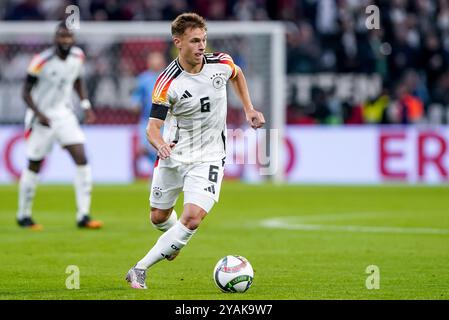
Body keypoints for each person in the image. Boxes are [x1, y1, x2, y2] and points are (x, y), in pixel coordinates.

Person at [125, 12, 265, 289]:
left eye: (204, 40)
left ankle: (140, 268)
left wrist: (248, 108)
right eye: (195, 41)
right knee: (158, 217)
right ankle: (172, 242)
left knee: (192, 217)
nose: (201, 46)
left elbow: (237, 74)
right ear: (178, 43)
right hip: (174, 154)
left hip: (210, 156)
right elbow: (152, 128)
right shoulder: (167, 83)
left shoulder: (220, 63)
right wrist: (161, 145)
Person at [16, 22, 103, 230]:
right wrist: (39, 114)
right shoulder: (40, 61)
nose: (65, 40)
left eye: (69, 37)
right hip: (41, 118)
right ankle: (23, 215)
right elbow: (25, 92)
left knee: (82, 158)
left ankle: (83, 215)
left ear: (73, 39)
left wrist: (85, 105)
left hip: (64, 114)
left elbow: (77, 81)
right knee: (35, 164)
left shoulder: (78, 56)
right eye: (62, 37)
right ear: (55, 38)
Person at [130, 51, 167, 164]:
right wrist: (135, 104)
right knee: (147, 149)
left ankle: (158, 174)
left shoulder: (168, 78)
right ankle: (155, 171)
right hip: (147, 119)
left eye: (157, 59)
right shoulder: (143, 79)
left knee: (163, 148)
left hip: (165, 121)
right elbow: (136, 96)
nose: (155, 62)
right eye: (153, 59)